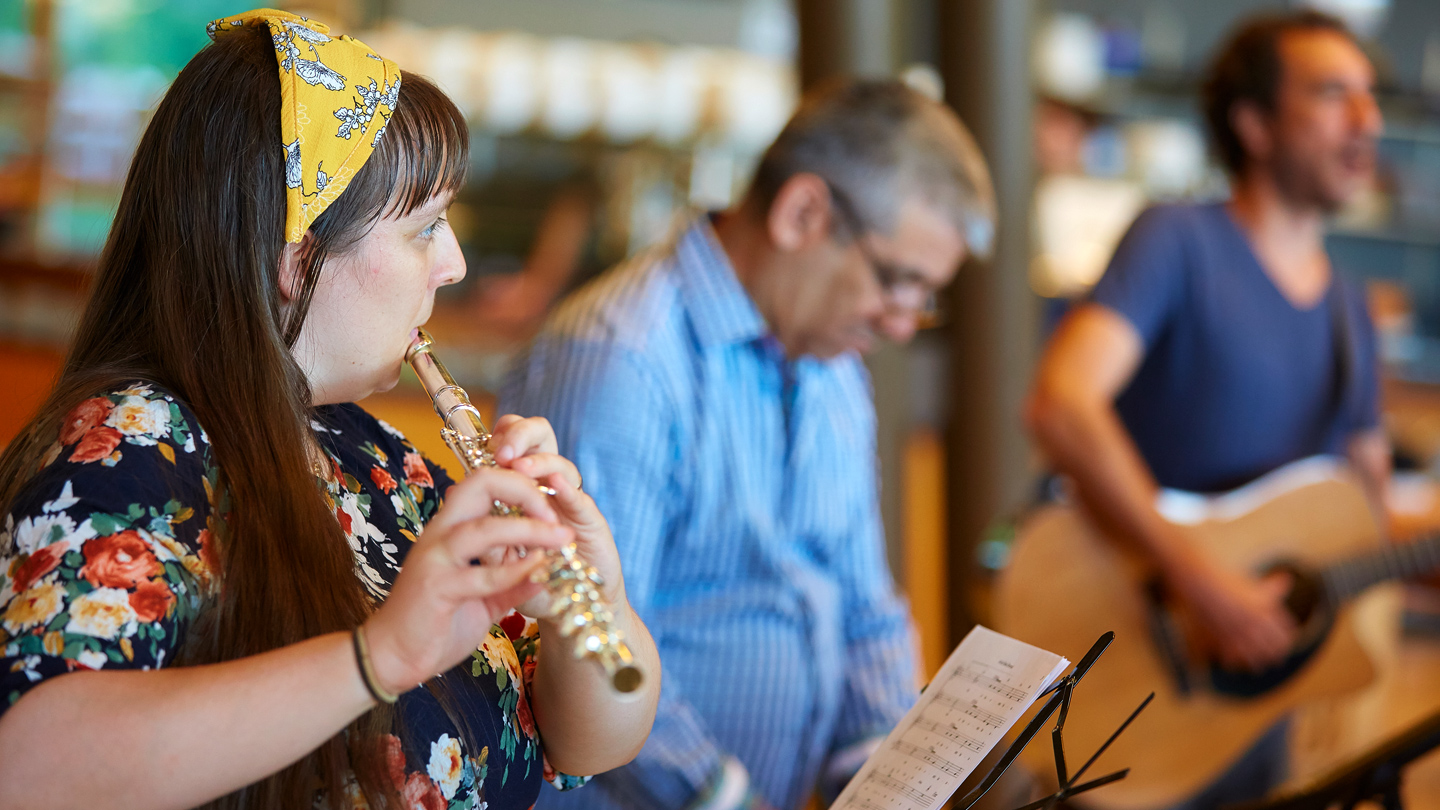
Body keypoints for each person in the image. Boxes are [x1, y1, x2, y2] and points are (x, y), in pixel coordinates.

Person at [0, 11, 659, 810]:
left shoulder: (369, 451)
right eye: (425, 229)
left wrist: (593, 599)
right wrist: (375, 657)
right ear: (297, 258)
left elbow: (587, 741)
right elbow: (31, 768)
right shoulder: (130, 446)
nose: (451, 265)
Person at [501, 80, 996, 810]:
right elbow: (588, 653)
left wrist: (889, 781)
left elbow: (864, 607)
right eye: (897, 282)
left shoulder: (832, 363)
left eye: (924, 298)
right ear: (802, 214)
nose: (901, 324)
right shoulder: (622, 358)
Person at [1025, 11, 1386, 809]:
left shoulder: (1351, 311)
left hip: (1257, 705)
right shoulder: (1176, 242)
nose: (1369, 120)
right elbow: (1061, 401)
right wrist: (1193, 572)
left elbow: (1367, 510)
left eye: (1369, 95)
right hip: (1132, 658)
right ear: (1254, 125)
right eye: (1333, 95)